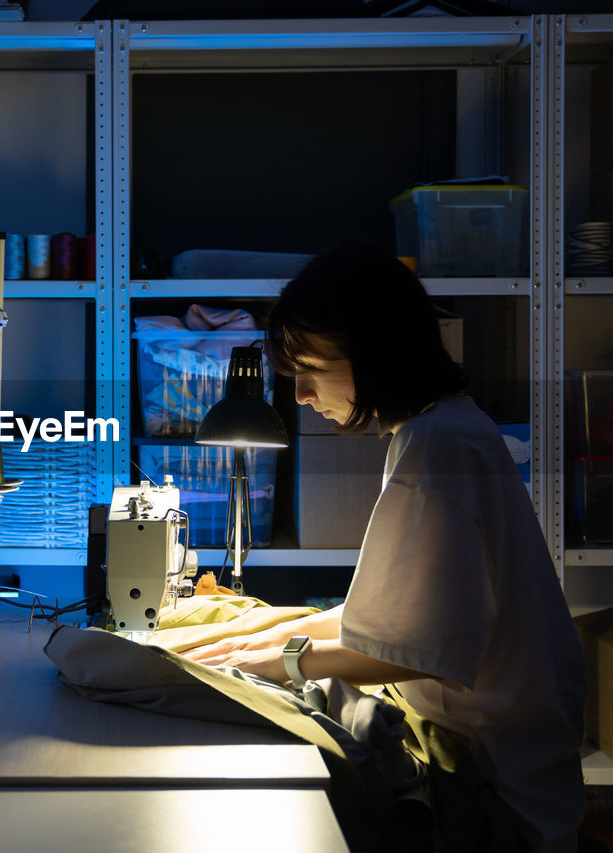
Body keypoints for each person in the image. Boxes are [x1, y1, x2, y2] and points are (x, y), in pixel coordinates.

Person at [185, 243, 585, 853]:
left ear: (372, 352)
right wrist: (262, 639)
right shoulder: (444, 426)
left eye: (311, 371)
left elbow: (419, 649)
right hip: (493, 743)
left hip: (496, 788)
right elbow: (396, 620)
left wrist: (283, 662)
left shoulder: (437, 447)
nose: (300, 397)